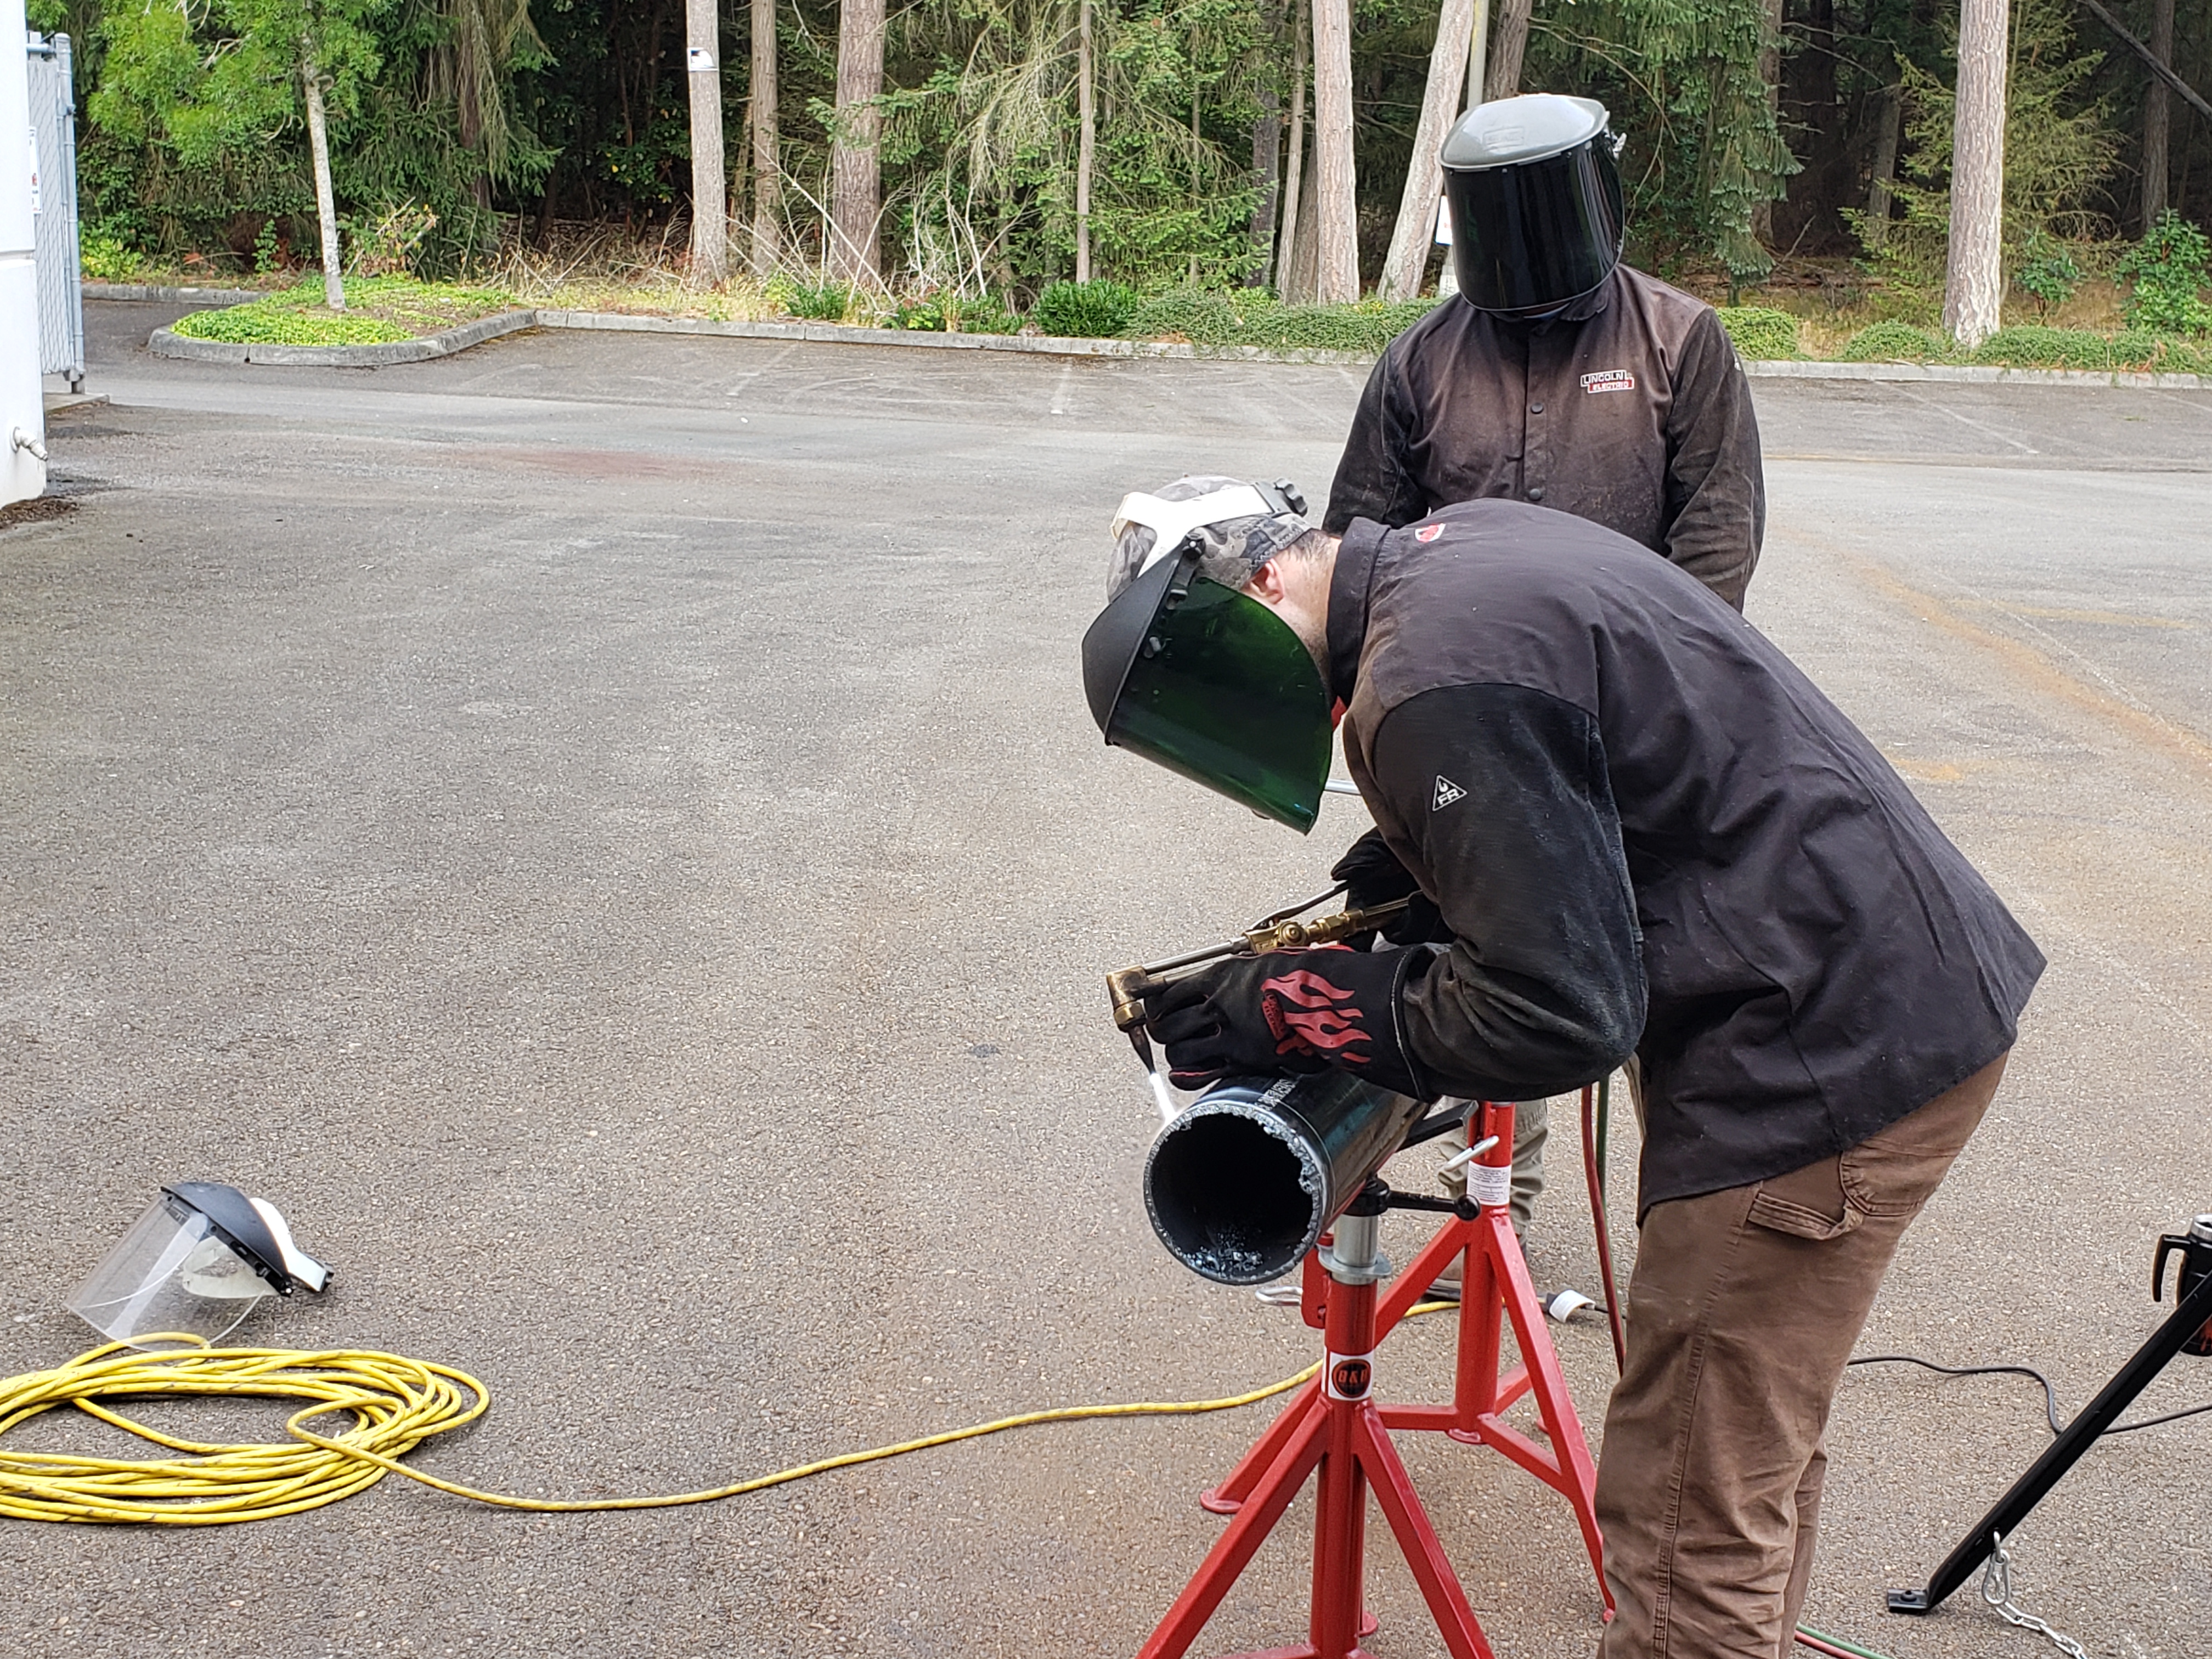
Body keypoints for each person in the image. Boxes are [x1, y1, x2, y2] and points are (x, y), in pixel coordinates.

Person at [1080, 477, 2043, 1659]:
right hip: (1877, 984)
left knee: (1690, 1510)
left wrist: (1296, 1003)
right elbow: (1569, 761)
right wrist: (1410, 864)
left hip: (1819, 1058)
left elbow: (1557, 1013)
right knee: (1739, 1456)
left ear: (1266, 582)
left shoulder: (1425, 682)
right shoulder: (1453, 555)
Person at [1323, 93, 1769, 1244]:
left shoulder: (1681, 343)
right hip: (1484, 740)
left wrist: (1640, 715)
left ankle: (1689, 1233)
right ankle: (1487, 1220)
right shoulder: (1422, 359)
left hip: (1637, 742)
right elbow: (1357, 538)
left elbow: (1715, 549)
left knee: (1660, 980)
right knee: (1484, 964)